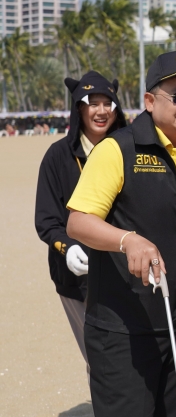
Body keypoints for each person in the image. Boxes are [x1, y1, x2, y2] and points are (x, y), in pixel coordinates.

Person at [65, 50, 176, 417]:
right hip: (123, 329)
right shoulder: (117, 149)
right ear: (150, 102)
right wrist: (127, 240)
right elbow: (78, 222)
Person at [34, 71, 127, 376]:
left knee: (129, 354)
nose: (101, 111)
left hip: (125, 273)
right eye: (92, 103)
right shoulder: (57, 156)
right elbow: (46, 221)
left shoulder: (130, 151)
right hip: (76, 277)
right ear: (78, 109)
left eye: (108, 103)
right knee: (99, 359)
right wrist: (67, 246)